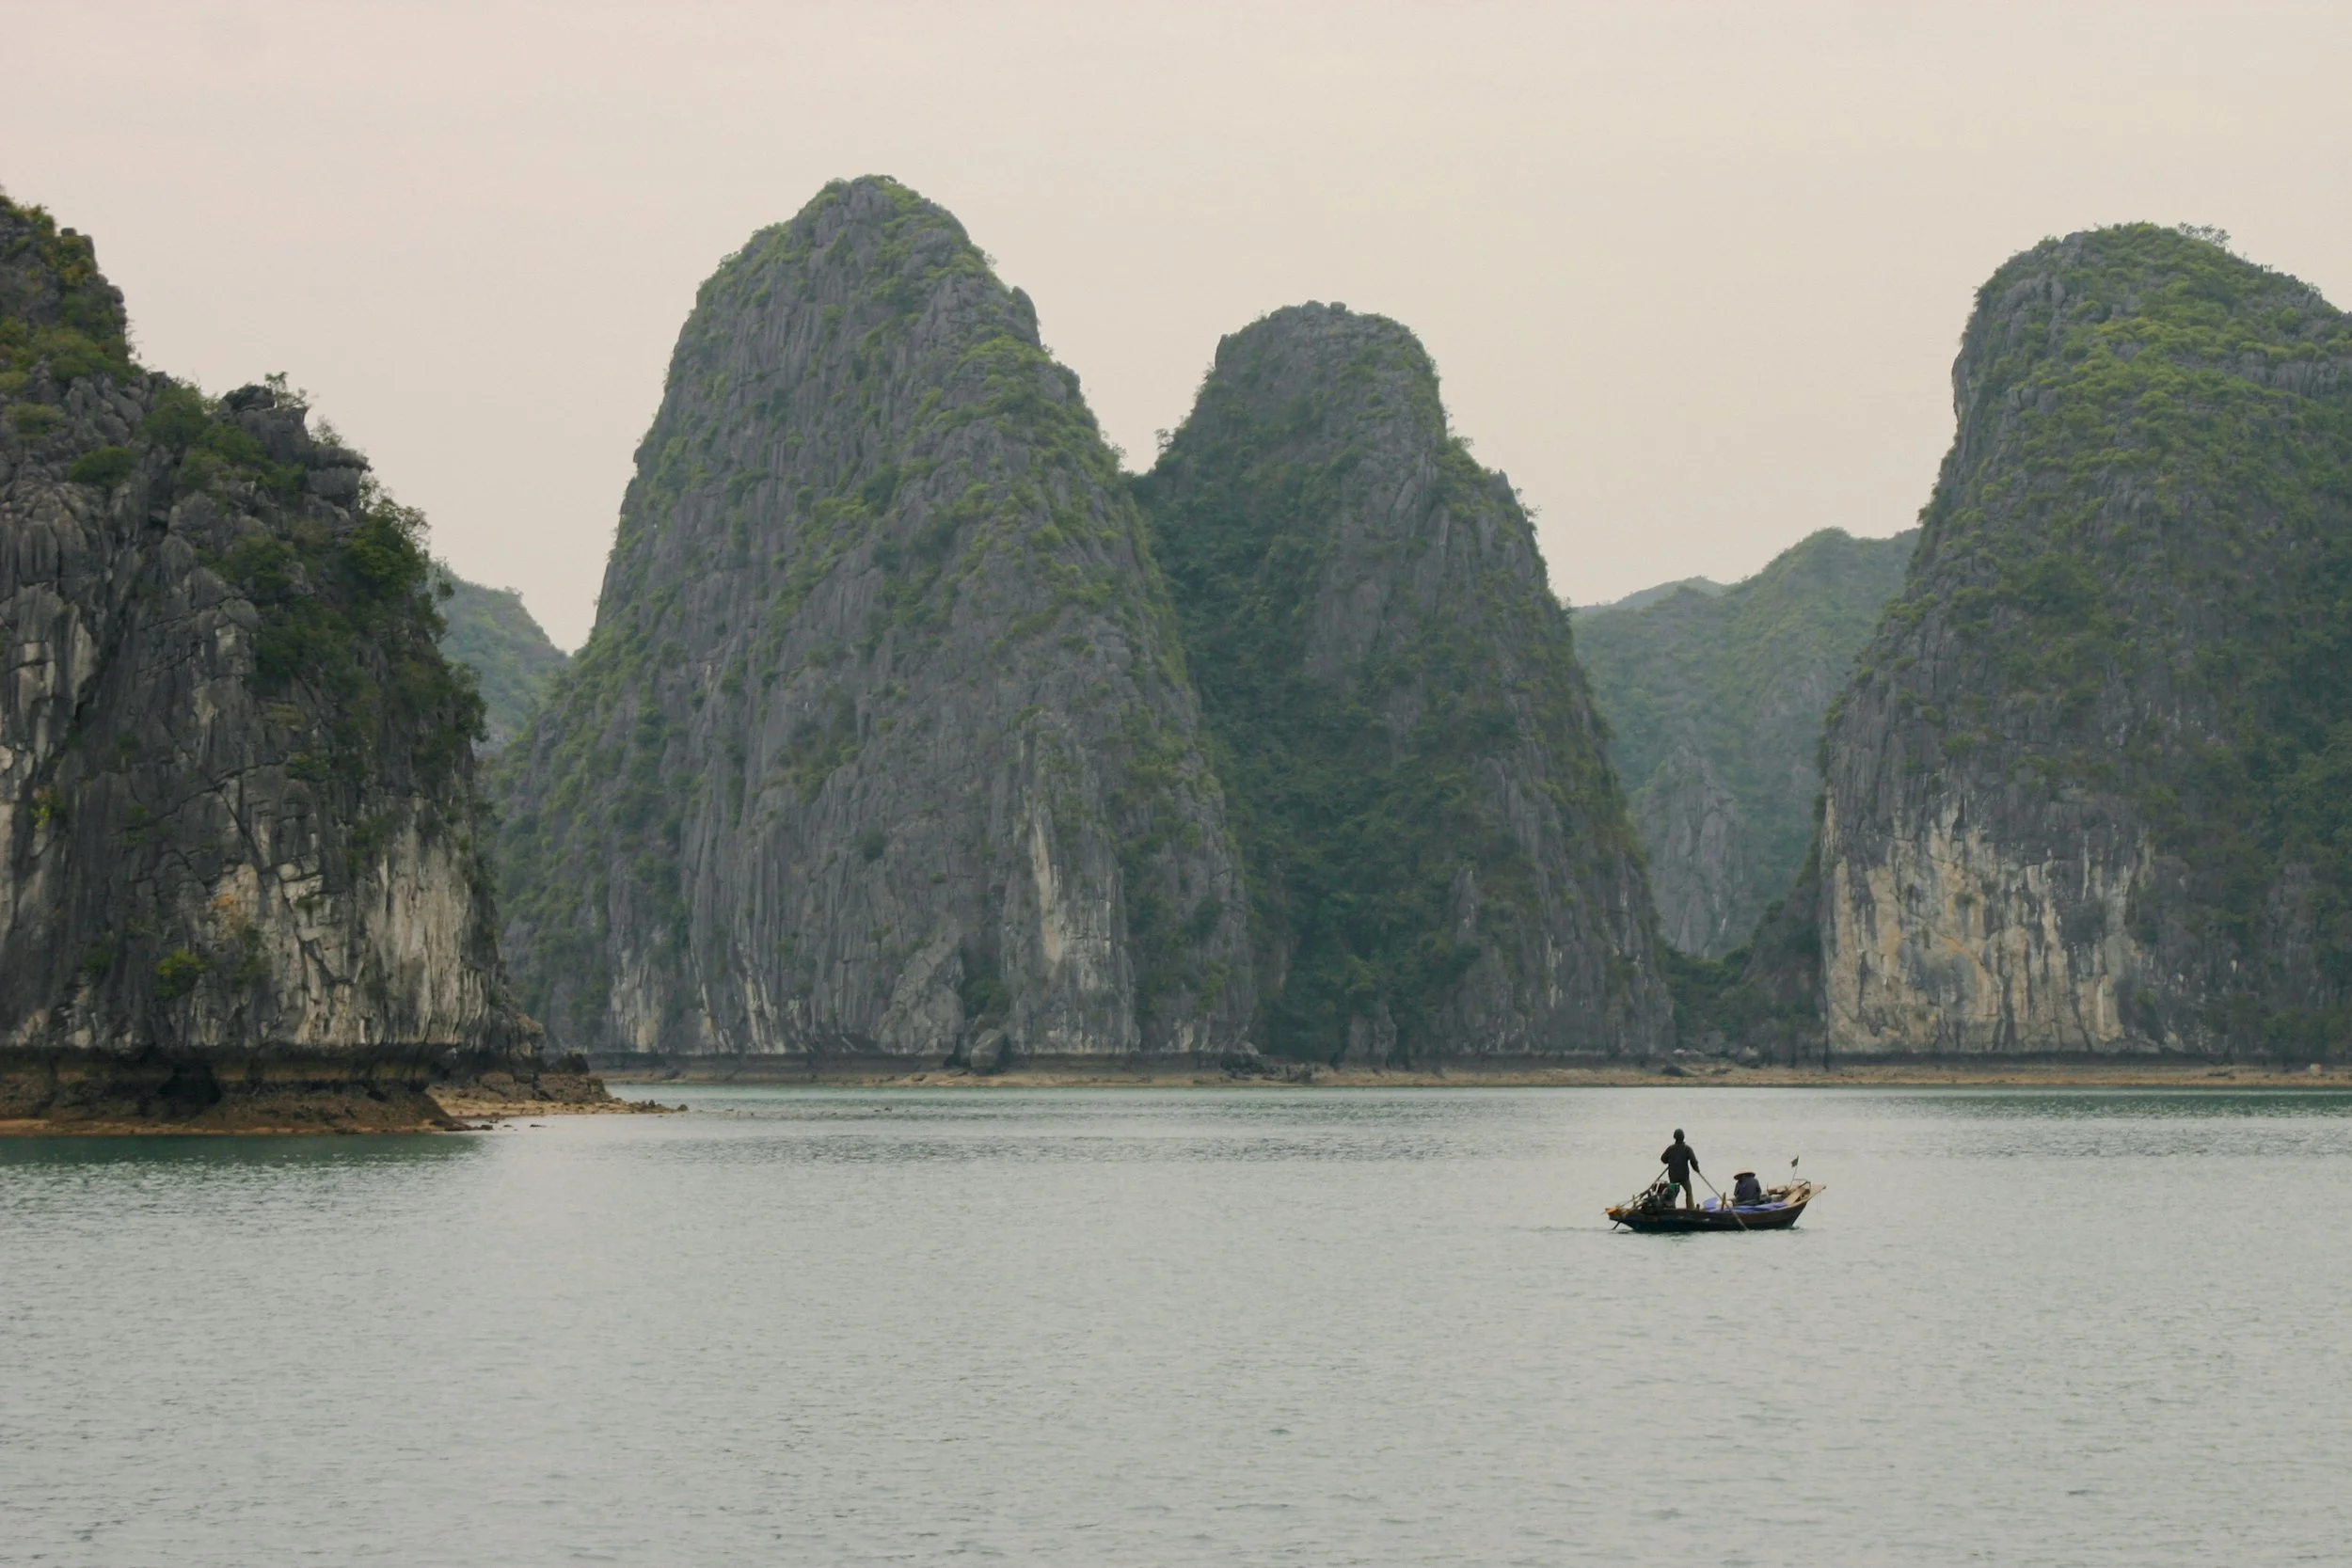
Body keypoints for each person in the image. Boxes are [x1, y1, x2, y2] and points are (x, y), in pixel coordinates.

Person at [1661, 1129, 1700, 1210]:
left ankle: (1671, 1207)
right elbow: (1693, 1161)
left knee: (1672, 1193)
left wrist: (1670, 1161)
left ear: (1675, 1137)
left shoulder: (1670, 1149)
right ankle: (1690, 1208)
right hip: (1684, 1177)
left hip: (1673, 1176)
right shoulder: (1687, 1149)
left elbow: (1663, 1159)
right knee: (1689, 1193)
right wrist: (1697, 1170)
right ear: (1683, 1137)